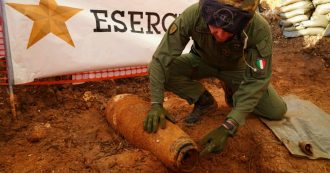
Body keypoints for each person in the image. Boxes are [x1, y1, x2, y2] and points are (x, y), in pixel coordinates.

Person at [143, 0, 287, 156]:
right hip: (200, 61)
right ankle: (203, 100)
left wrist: (230, 125)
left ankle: (232, 88)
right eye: (213, 25)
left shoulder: (258, 28)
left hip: (236, 70)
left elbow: (258, 79)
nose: (220, 34)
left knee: (276, 111)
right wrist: (156, 103)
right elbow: (160, 60)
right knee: (157, 70)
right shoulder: (192, 15)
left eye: (229, 30)